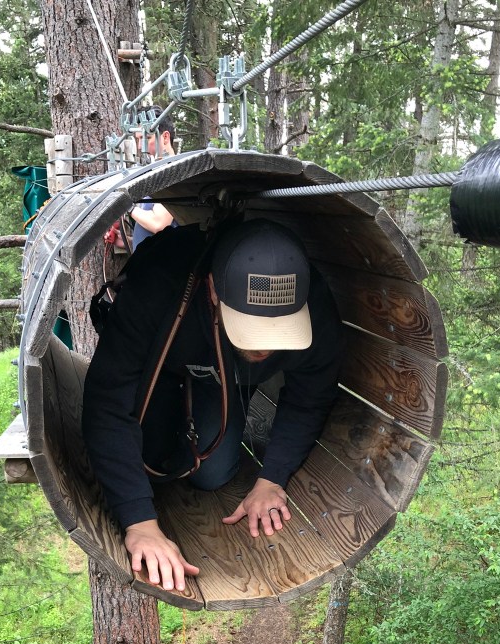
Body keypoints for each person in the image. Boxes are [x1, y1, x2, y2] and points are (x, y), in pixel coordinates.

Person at [82, 218, 343, 593]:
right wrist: (139, 523)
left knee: (212, 474)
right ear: (213, 290)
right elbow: (107, 402)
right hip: (161, 364)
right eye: (252, 329)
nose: (266, 346)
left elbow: (311, 395)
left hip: (223, 379)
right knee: (150, 456)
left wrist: (272, 479)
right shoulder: (158, 284)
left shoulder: (315, 305)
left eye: (279, 331)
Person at [130, 110, 178, 248]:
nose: (140, 146)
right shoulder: (156, 173)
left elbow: (159, 224)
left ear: (165, 137)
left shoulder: (173, 172)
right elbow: (152, 236)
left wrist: (127, 208)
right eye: (138, 139)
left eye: (146, 138)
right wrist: (125, 241)